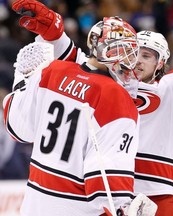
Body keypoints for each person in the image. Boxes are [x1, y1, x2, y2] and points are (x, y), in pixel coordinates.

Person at [11, 0, 173, 215]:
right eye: (135, 53)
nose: (137, 61)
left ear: (160, 64)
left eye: (146, 56)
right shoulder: (105, 82)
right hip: (103, 195)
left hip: (157, 197)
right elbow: (77, 60)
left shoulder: (172, 88)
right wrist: (53, 31)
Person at [1, 14, 156, 215]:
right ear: (109, 50)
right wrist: (122, 207)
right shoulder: (116, 96)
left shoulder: (53, 71)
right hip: (75, 207)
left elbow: (19, 129)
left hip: (34, 202)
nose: (130, 61)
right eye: (125, 51)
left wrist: (21, 84)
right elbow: (105, 183)